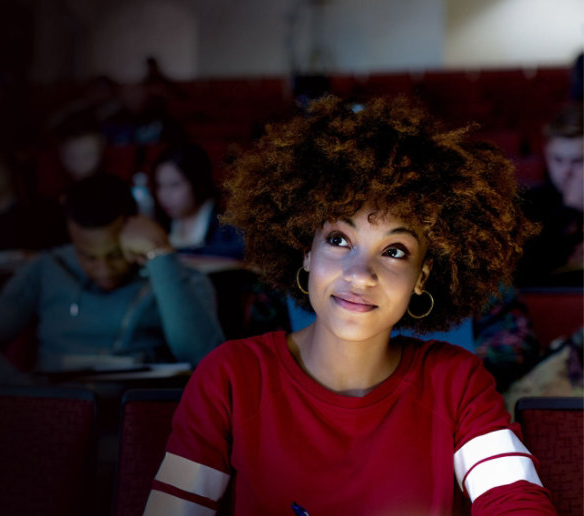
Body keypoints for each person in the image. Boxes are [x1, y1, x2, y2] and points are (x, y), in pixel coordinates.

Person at [144, 96, 555, 514]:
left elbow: (515, 501)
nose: (361, 274)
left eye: (394, 250)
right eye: (338, 240)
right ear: (306, 251)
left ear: (422, 277)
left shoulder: (457, 382)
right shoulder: (231, 377)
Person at [0, 173, 224, 384]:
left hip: (137, 418)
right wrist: (27, 393)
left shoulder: (178, 275)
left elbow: (205, 360)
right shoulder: (46, 268)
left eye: (116, 255)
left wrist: (161, 257)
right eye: (88, 257)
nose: (103, 269)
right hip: (55, 412)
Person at [516, 103, 583, 287]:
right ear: (547, 154)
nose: (565, 171)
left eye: (578, 161)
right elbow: (524, 270)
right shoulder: (530, 202)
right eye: (558, 159)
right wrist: (571, 209)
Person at [152, 143, 244, 259]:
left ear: (197, 183)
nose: (164, 195)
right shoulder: (161, 223)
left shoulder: (228, 227)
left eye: (174, 185)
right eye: (160, 186)